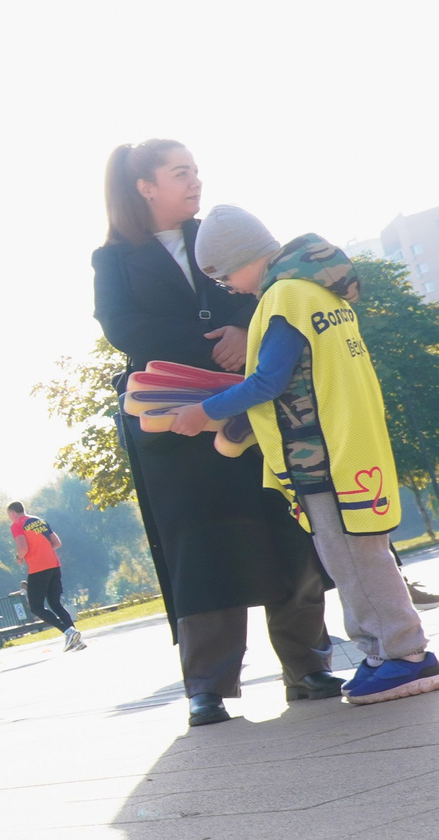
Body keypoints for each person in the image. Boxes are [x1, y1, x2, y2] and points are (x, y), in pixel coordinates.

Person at [93, 141, 339, 727]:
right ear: (145, 186)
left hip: (253, 400)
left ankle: (307, 667)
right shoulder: (113, 259)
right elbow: (121, 327)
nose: (195, 182)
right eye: (181, 174)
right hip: (174, 419)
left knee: (285, 527)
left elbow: (273, 289)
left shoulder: (222, 236)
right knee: (200, 547)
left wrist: (241, 330)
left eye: (196, 172)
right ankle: (207, 685)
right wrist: (213, 338)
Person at [177, 208, 439, 706]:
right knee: (363, 555)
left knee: (351, 560)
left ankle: (406, 656)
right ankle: (381, 655)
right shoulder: (319, 292)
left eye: (223, 276)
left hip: (321, 455)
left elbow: (268, 382)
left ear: (242, 258)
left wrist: (205, 411)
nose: (229, 288)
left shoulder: (282, 298)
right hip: (351, 445)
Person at [7, 502, 83, 649]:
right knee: (55, 603)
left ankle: (68, 631)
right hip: (54, 565)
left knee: (36, 607)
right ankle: (76, 640)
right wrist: (44, 550)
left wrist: (19, 557)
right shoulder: (39, 521)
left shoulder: (17, 525)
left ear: (12, 513)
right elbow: (57, 542)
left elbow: (22, 548)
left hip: (38, 568)